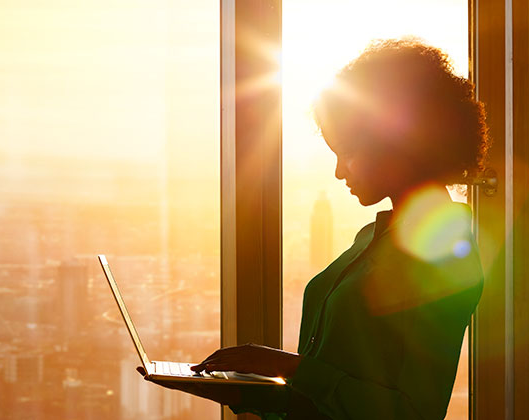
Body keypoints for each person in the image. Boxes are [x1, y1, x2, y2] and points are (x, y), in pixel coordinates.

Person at [144, 38, 490, 420]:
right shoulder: (372, 240)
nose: (340, 172)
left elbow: (412, 412)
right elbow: (323, 401)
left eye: (347, 153)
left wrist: (290, 368)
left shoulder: (444, 255)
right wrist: (240, 392)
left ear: (396, 143)